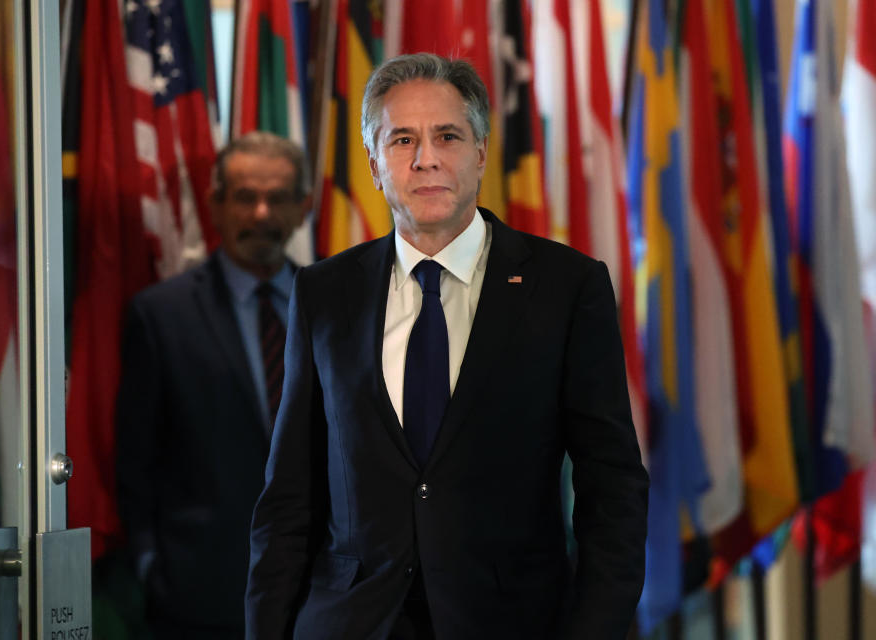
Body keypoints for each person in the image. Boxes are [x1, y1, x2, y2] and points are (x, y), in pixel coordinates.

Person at [245, 53, 648, 639]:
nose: (425, 158)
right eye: (402, 139)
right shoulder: (323, 293)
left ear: (480, 152)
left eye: (447, 136)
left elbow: (612, 489)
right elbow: (288, 500)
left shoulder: (566, 288)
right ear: (375, 164)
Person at [116, 131, 311, 638]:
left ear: (303, 207)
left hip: (322, 596)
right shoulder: (161, 316)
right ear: (217, 205)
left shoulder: (341, 308)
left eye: (278, 198)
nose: (262, 215)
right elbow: (134, 460)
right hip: (196, 598)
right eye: (245, 197)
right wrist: (148, 564)